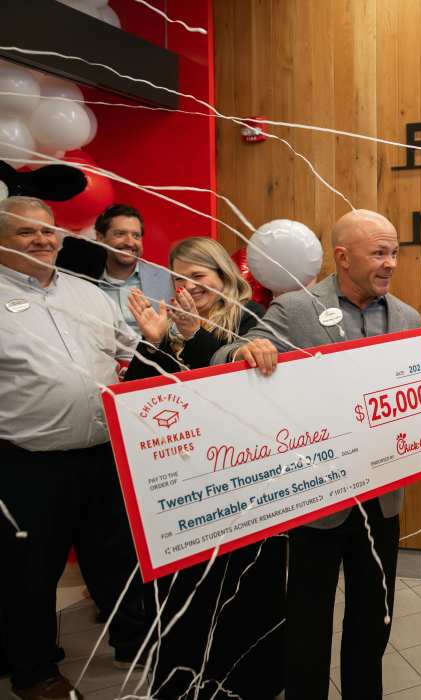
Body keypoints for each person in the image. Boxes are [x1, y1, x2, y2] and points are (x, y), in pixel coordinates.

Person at [212, 209, 421, 700]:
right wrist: (244, 353)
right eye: (379, 253)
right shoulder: (296, 308)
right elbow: (227, 354)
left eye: (394, 253)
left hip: (382, 499)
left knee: (373, 619)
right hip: (317, 501)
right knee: (308, 623)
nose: (390, 263)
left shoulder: (405, 316)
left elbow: (406, 393)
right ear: (342, 257)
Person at [0, 196, 151, 700]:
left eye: (47, 231)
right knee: (31, 572)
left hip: (102, 453)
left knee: (116, 556)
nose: (42, 240)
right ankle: (35, 673)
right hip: (27, 464)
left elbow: (128, 356)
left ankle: (137, 641)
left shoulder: (89, 295)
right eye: (25, 233)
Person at [121, 236, 285, 699]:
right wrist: (151, 345)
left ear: (223, 278)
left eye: (198, 277)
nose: (188, 288)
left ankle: (250, 684)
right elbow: (139, 400)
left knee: (248, 593)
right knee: (189, 598)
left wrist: (195, 334)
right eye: (179, 279)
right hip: (190, 490)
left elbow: (245, 381)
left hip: (249, 486)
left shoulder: (256, 319)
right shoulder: (167, 326)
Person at [55, 203, 173, 335]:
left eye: (136, 236)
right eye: (120, 234)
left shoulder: (166, 278)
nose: (130, 242)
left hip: (153, 353)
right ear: (100, 237)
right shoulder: (82, 279)